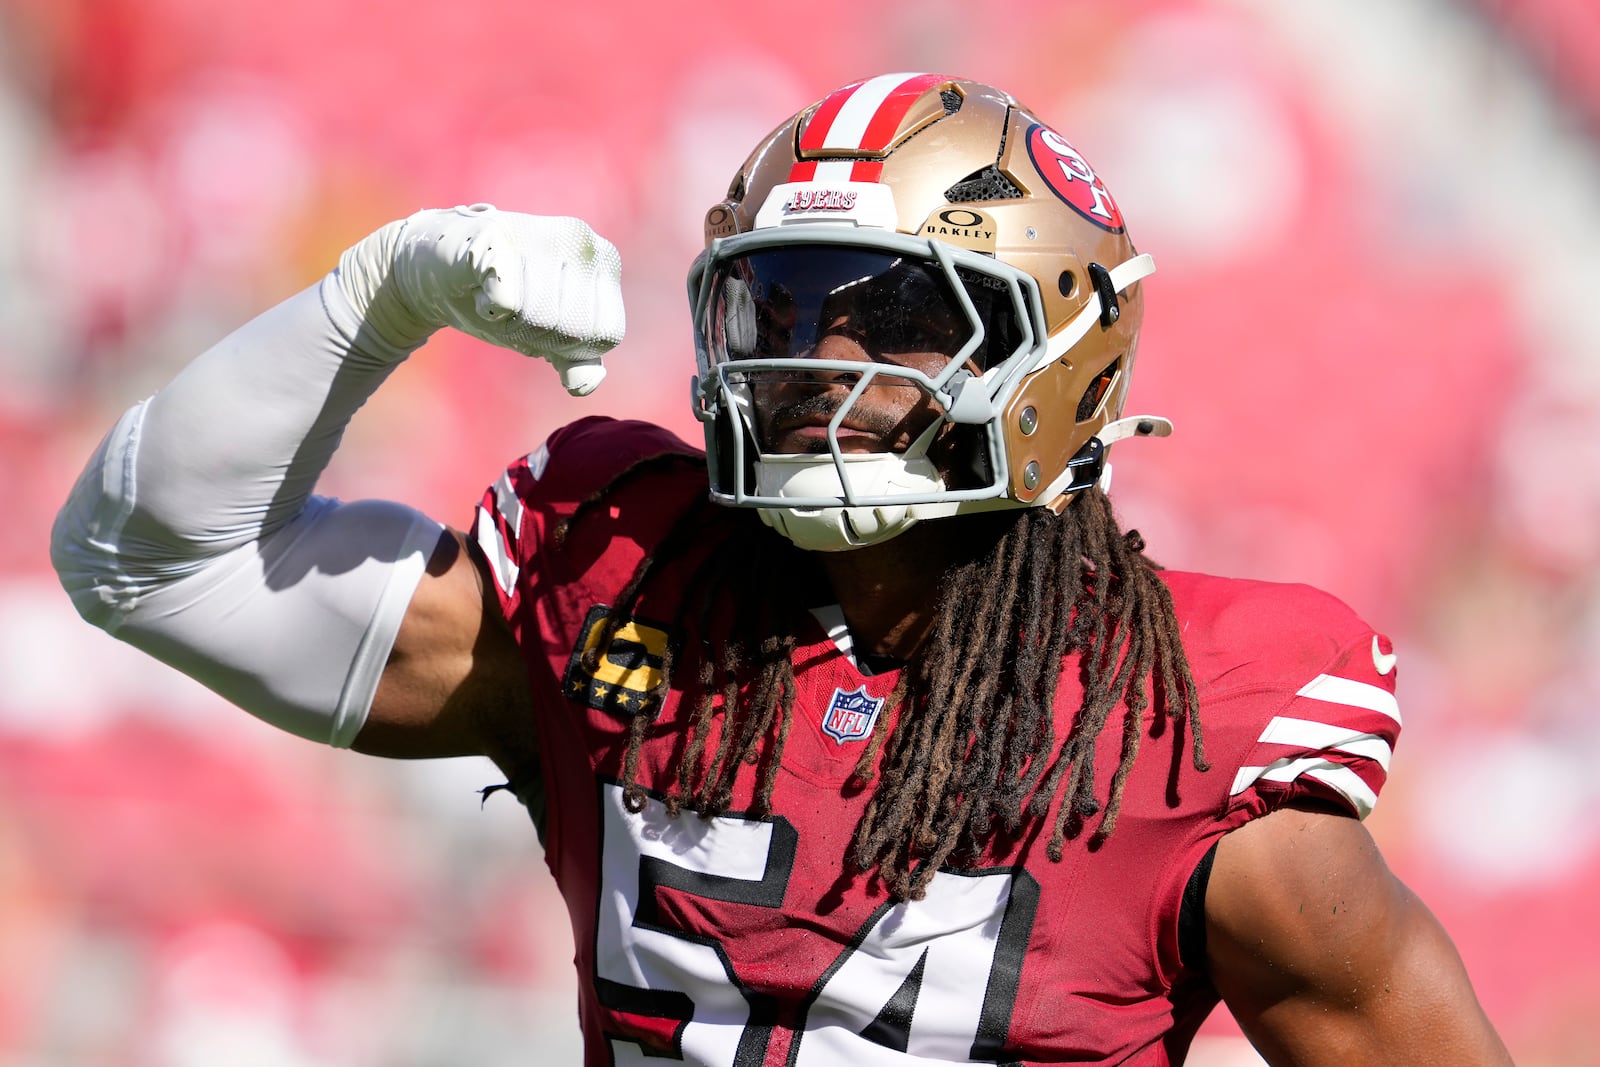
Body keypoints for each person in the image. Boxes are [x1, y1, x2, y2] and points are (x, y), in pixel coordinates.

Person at [51, 72, 1510, 1065]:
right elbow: (149, 558)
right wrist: (385, 293)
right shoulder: (624, 577)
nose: (827, 361)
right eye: (789, 302)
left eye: (899, 313)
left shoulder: (1180, 716)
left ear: (1061, 359)